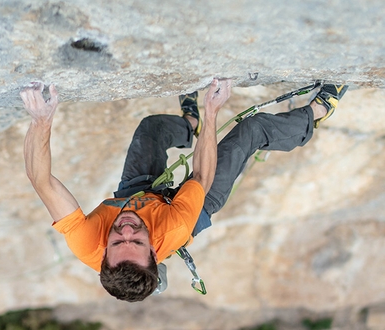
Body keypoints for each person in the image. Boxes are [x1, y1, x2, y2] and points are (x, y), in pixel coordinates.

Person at [21, 81, 347, 302]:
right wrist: (212, 111)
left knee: (151, 129)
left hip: (134, 194)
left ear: (102, 253)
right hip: (194, 204)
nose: (128, 229)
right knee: (253, 129)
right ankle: (318, 111)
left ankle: (187, 123)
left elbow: (41, 180)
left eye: (118, 240)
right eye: (137, 241)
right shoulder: (173, 228)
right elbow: (202, 175)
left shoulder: (87, 241)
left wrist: (41, 121)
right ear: (155, 253)